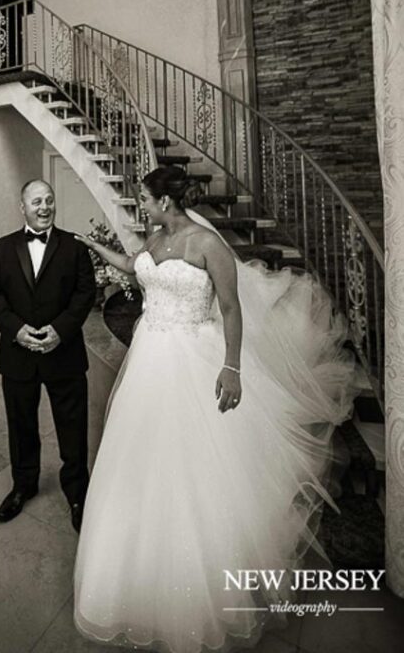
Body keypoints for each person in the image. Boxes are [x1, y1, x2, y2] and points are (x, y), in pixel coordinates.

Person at [73, 165, 356, 653]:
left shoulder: (208, 245)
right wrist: (95, 248)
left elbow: (230, 308)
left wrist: (232, 367)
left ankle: (199, 589)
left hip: (192, 359)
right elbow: (134, 266)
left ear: (165, 201)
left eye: (145, 198)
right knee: (141, 459)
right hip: (150, 360)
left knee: (194, 465)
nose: (141, 204)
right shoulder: (156, 237)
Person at [0, 179, 96, 533]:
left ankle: (77, 493)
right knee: (21, 427)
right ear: (23, 207)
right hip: (18, 355)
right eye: (36, 202)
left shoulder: (74, 247)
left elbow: (85, 294)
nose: (44, 207)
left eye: (49, 200)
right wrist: (17, 330)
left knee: (73, 427)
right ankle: (23, 486)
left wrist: (59, 331)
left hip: (65, 354)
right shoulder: (1, 248)